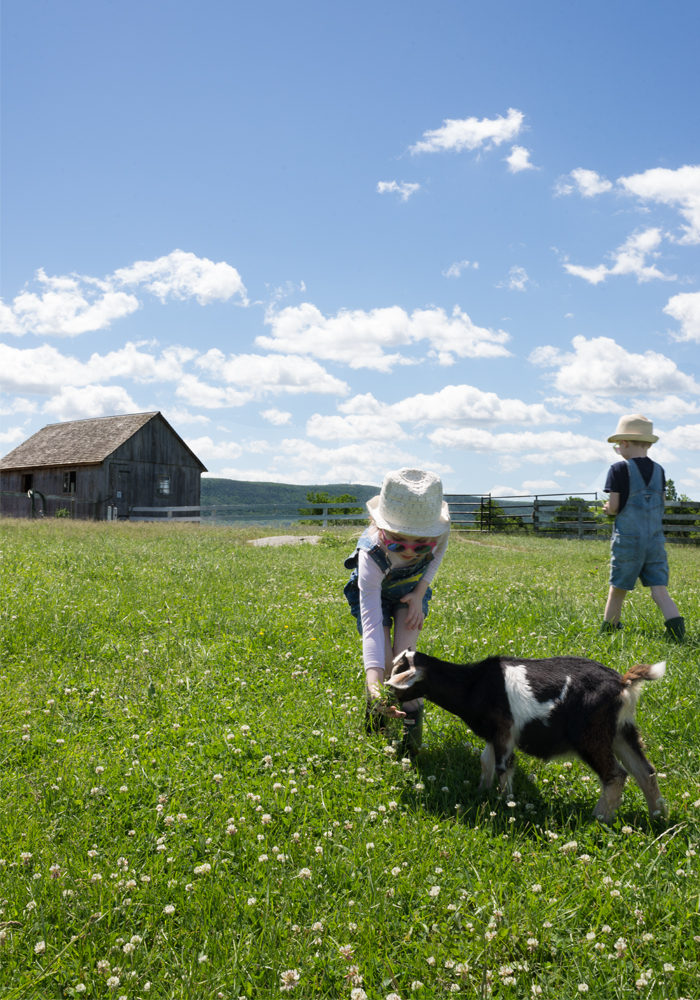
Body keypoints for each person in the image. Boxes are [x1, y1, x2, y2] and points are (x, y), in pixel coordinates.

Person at [344, 468, 451, 755]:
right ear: (380, 530)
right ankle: (376, 719)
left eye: (421, 543)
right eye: (397, 542)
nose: (410, 551)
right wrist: (373, 682)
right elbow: (371, 625)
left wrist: (418, 594)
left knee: (403, 664)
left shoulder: (439, 534)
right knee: (384, 662)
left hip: (410, 593)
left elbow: (436, 556)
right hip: (373, 596)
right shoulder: (371, 556)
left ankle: (410, 742)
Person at [601, 414, 684, 641]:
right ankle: (677, 630)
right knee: (659, 589)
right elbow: (660, 503)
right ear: (648, 443)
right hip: (655, 541)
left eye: (618, 446)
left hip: (628, 540)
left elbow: (616, 507)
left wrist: (607, 508)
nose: (618, 449)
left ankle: (609, 628)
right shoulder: (660, 471)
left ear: (625, 443)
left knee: (618, 587)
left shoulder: (618, 470)